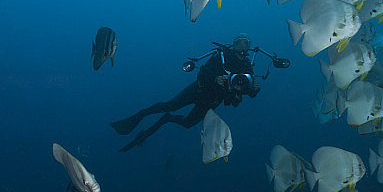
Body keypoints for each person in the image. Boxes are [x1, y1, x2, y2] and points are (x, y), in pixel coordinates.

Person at [111, 34, 268, 152]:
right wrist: (216, 78)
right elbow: (202, 73)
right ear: (233, 44)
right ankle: (138, 116)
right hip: (198, 90)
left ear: (249, 47)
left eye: (245, 43)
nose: (242, 47)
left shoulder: (248, 67)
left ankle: (166, 120)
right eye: (239, 43)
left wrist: (255, 88)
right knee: (170, 105)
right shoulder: (221, 56)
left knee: (187, 124)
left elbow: (246, 90)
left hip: (211, 101)